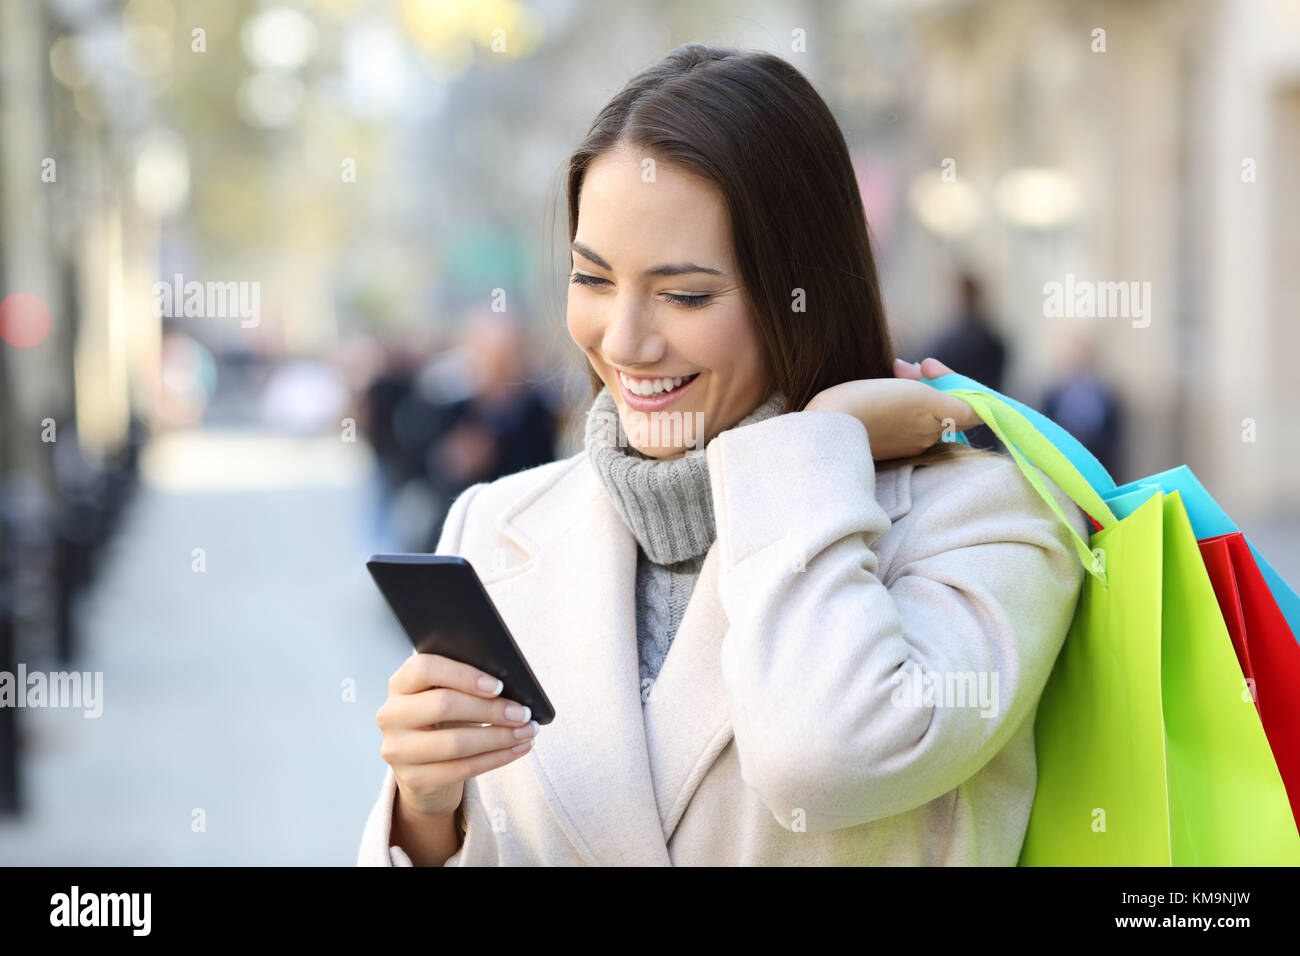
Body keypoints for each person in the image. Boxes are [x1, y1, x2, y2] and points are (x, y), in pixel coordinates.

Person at [358, 43, 1088, 867]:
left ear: (801, 292)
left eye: (686, 294)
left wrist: (814, 444)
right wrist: (424, 815)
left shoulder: (990, 521)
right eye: (593, 279)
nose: (624, 340)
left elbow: (825, 760)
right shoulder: (494, 526)